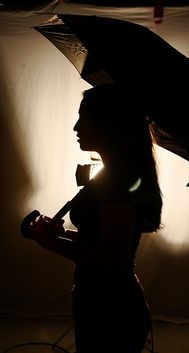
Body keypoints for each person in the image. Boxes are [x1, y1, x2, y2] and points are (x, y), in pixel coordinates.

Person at [28, 83, 163, 353]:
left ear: (107, 124)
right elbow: (102, 238)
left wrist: (50, 243)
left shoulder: (118, 182)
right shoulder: (111, 175)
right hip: (97, 301)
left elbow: (112, 257)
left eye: (83, 119)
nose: (76, 128)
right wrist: (63, 235)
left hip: (112, 310)